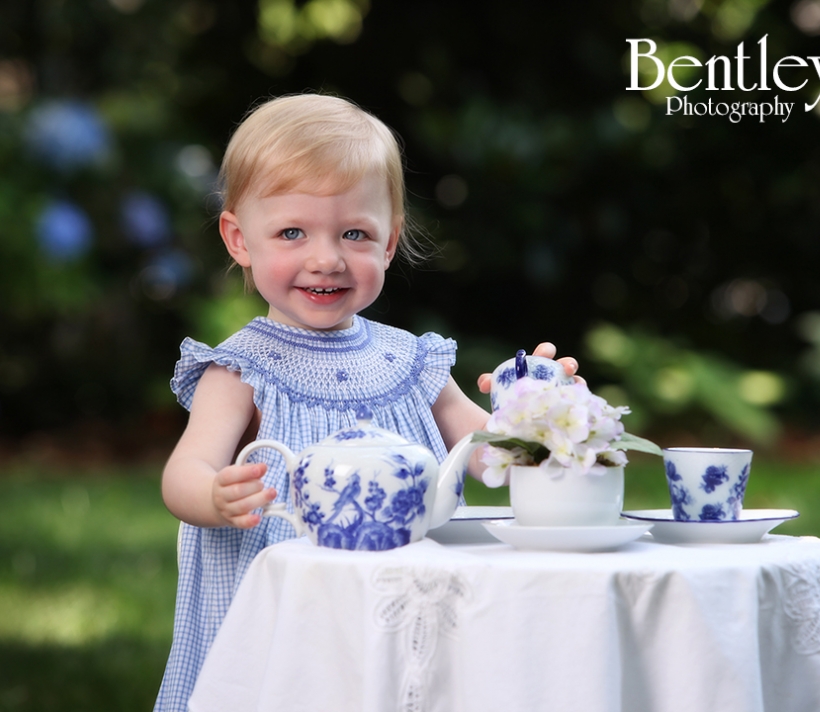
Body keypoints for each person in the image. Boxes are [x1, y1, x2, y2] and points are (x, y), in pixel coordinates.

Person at [153, 93, 578, 711]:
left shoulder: (410, 361)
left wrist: (539, 416)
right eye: (292, 232)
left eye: (354, 233)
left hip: (403, 604)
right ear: (239, 240)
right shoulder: (242, 369)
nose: (325, 258)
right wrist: (214, 496)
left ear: (388, 243)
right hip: (291, 615)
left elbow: (488, 457)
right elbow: (183, 472)